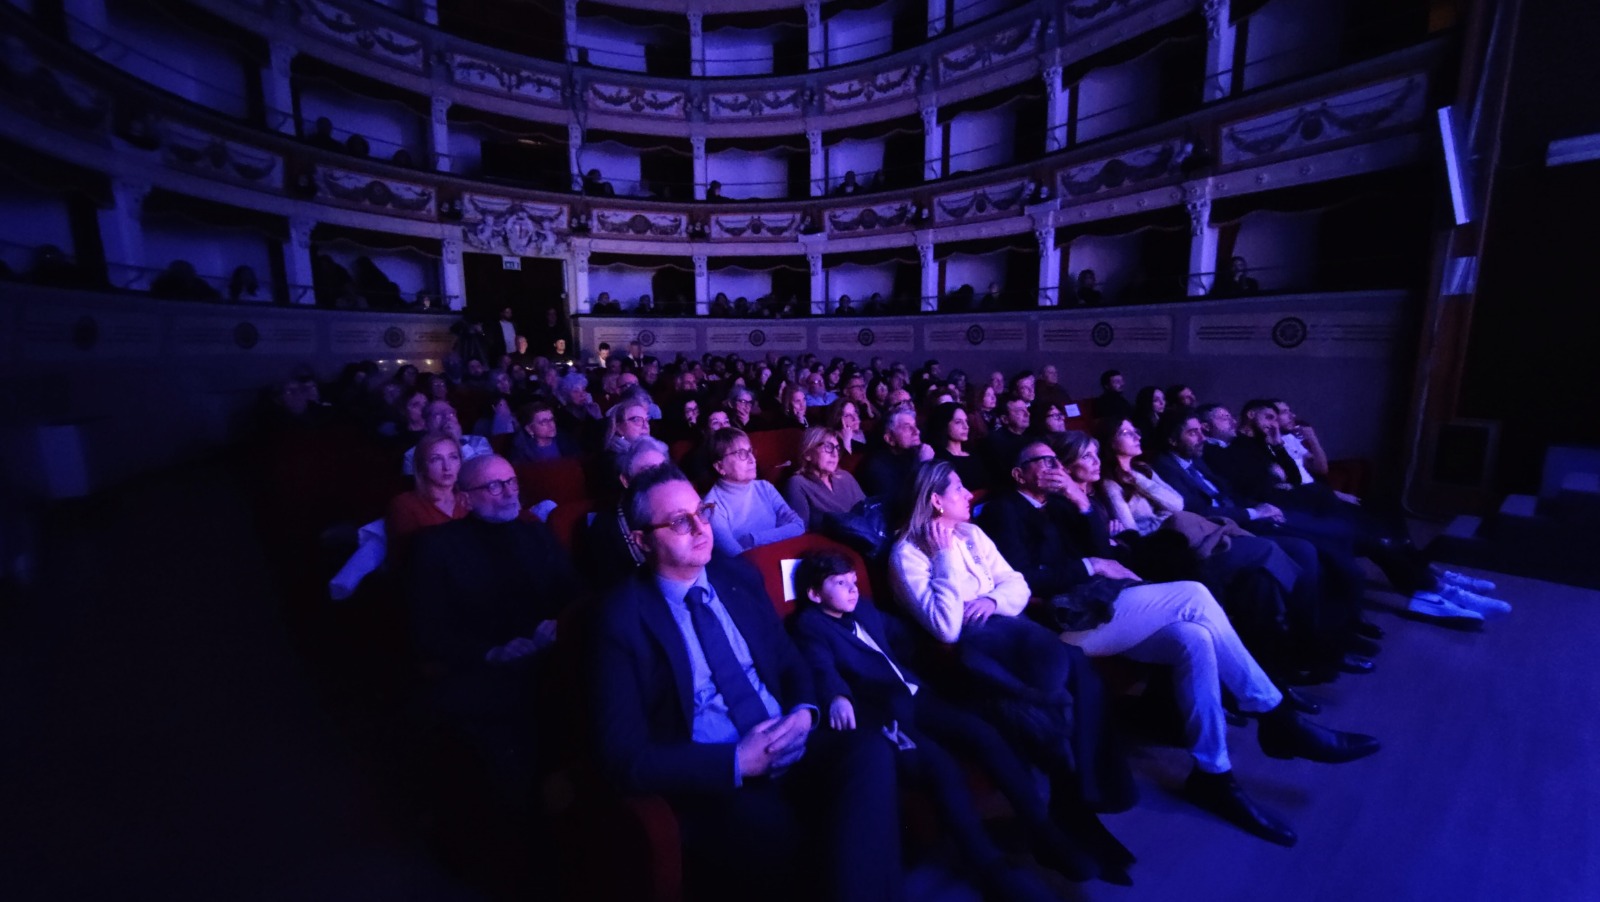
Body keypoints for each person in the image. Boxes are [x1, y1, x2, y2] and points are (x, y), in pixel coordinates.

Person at [976, 444, 1381, 846]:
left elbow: (1104, 550)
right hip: (1061, 623)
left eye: (1055, 460)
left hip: (1102, 604)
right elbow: (1023, 578)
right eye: (1042, 461)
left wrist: (1082, 504)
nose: (1054, 467)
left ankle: (1214, 776)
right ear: (1019, 474)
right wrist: (1089, 565)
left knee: (1194, 638)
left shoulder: (1062, 504)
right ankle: (1275, 715)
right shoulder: (1004, 510)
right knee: (1193, 595)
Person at [589, 466, 902, 902]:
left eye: (702, 512)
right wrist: (737, 761)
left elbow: (790, 662)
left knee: (870, 752)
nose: (701, 527)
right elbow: (623, 756)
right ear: (642, 541)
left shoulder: (739, 577)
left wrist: (804, 714)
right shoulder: (620, 618)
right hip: (717, 770)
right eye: (680, 521)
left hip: (786, 734)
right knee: (785, 837)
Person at [788, 553, 1093, 898]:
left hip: (916, 693)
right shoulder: (810, 625)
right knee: (941, 767)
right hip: (883, 713)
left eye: (853, 581)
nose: (852, 589)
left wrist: (941, 635)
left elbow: (902, 634)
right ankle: (989, 868)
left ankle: (1042, 830)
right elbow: (818, 666)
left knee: (983, 733)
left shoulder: (864, 609)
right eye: (840, 583)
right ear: (814, 594)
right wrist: (837, 695)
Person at [887, 461, 1139, 857]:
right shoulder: (907, 555)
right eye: (958, 490)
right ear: (936, 501)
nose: (968, 495)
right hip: (968, 661)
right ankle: (1077, 810)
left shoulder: (971, 533)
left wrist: (991, 600)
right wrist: (944, 557)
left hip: (1013, 637)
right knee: (1056, 690)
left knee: (1077, 668)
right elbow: (946, 628)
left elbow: (1016, 584)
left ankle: (1082, 804)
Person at [408, 455, 584, 806]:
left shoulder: (536, 533)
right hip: (486, 666)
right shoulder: (436, 547)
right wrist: (492, 652)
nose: (509, 492)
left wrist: (561, 621)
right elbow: (428, 628)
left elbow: (574, 591)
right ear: (465, 498)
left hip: (552, 651)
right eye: (494, 486)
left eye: (512, 482)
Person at [702, 428, 806, 556]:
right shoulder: (712, 507)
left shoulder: (765, 487)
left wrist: (752, 539)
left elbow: (799, 526)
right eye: (741, 453)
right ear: (720, 467)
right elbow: (737, 556)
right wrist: (780, 533)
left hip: (784, 556)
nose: (753, 459)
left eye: (750, 451)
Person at [388, 432, 469, 564]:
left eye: (453, 457)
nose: (447, 467)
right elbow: (407, 559)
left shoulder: (468, 499)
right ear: (422, 467)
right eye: (436, 459)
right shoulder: (405, 504)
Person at [782, 428, 866, 530]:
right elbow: (799, 530)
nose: (835, 454)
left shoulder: (845, 477)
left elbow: (869, 510)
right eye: (828, 447)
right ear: (808, 454)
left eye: (837, 448)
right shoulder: (797, 484)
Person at [857, 407, 932, 501]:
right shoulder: (876, 466)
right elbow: (903, 502)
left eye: (915, 425)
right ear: (889, 439)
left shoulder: (915, 453)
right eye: (907, 427)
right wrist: (923, 465)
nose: (917, 431)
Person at [402, 400, 492, 475]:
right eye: (438, 415)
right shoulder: (412, 455)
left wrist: (459, 442)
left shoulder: (479, 442)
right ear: (425, 424)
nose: (447, 418)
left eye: (451, 414)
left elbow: (483, 474)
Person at [928, 402, 989, 493]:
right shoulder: (940, 460)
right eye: (958, 422)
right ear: (944, 425)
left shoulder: (975, 453)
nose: (966, 427)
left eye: (966, 421)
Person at [981, 393, 1032, 485]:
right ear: (1005, 419)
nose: (1027, 414)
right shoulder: (995, 441)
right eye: (1019, 411)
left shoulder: (1031, 439)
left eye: (1026, 409)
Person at [509, 401, 578, 463]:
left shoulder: (565, 439)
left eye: (551, 419)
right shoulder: (521, 450)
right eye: (543, 422)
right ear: (529, 429)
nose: (551, 425)